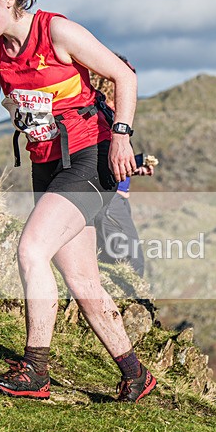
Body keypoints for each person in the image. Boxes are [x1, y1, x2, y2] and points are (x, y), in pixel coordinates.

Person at [0, 0, 155, 402]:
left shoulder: (57, 31)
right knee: (82, 279)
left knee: (32, 249)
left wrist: (121, 135)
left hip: (91, 157)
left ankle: (35, 369)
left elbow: (124, 74)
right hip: (46, 164)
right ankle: (136, 375)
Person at [89, 55, 155, 277]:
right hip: (110, 202)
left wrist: (134, 166)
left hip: (115, 200)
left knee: (119, 261)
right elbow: (99, 160)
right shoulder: (103, 117)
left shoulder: (112, 117)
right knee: (130, 265)